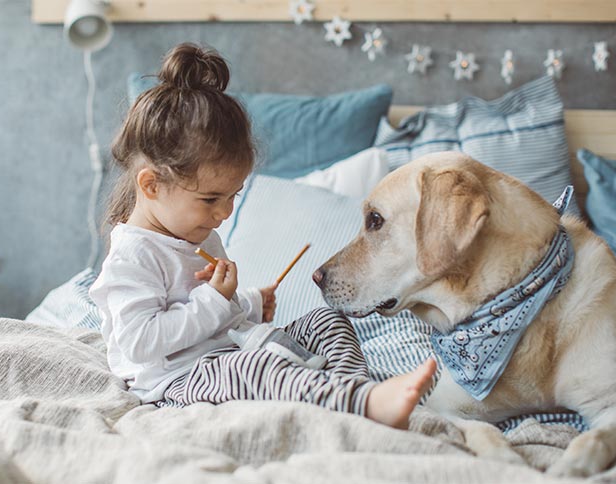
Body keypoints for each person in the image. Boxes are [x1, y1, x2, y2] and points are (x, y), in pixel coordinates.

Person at [89, 42, 436, 429]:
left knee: (327, 321)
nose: (225, 212)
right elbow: (141, 342)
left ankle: (352, 393)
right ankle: (362, 404)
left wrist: (251, 303)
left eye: (233, 195)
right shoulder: (132, 257)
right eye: (210, 199)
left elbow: (215, 314)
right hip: (177, 381)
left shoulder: (196, 232)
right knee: (261, 368)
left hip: (225, 352)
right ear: (151, 185)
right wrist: (215, 300)